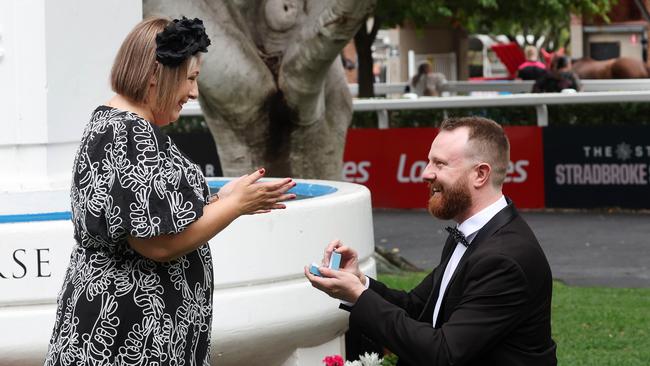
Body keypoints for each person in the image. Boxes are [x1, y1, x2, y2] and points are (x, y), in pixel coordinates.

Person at [44, 16, 296, 365]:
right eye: (190, 79)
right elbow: (156, 243)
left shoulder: (120, 126)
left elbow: (158, 217)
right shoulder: (129, 134)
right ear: (154, 76)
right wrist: (235, 205)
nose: (193, 92)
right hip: (129, 335)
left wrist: (222, 199)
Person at [305, 116, 557, 365]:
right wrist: (360, 283)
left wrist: (360, 297)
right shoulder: (470, 235)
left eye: (439, 164)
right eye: (428, 162)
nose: (426, 174)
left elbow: (443, 354)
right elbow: (418, 307)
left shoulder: (504, 260)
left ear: (480, 174)